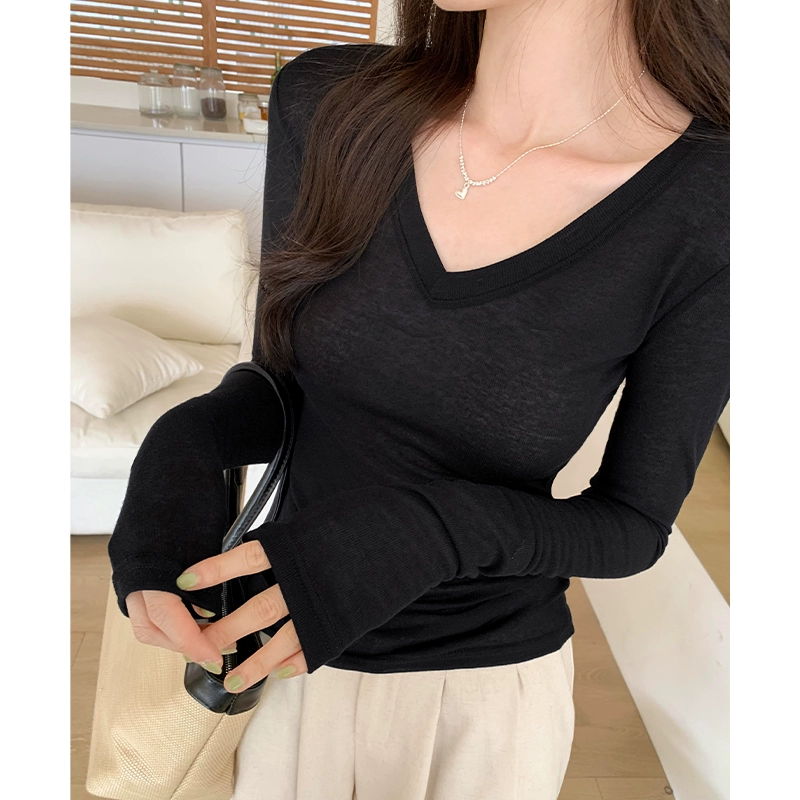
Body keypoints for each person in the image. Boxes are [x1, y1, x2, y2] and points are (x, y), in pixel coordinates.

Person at [107, 0, 729, 797]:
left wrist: (433, 531)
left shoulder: (720, 199)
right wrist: (184, 446)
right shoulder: (330, 102)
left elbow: (632, 528)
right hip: (280, 659)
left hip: (478, 709)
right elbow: (280, 382)